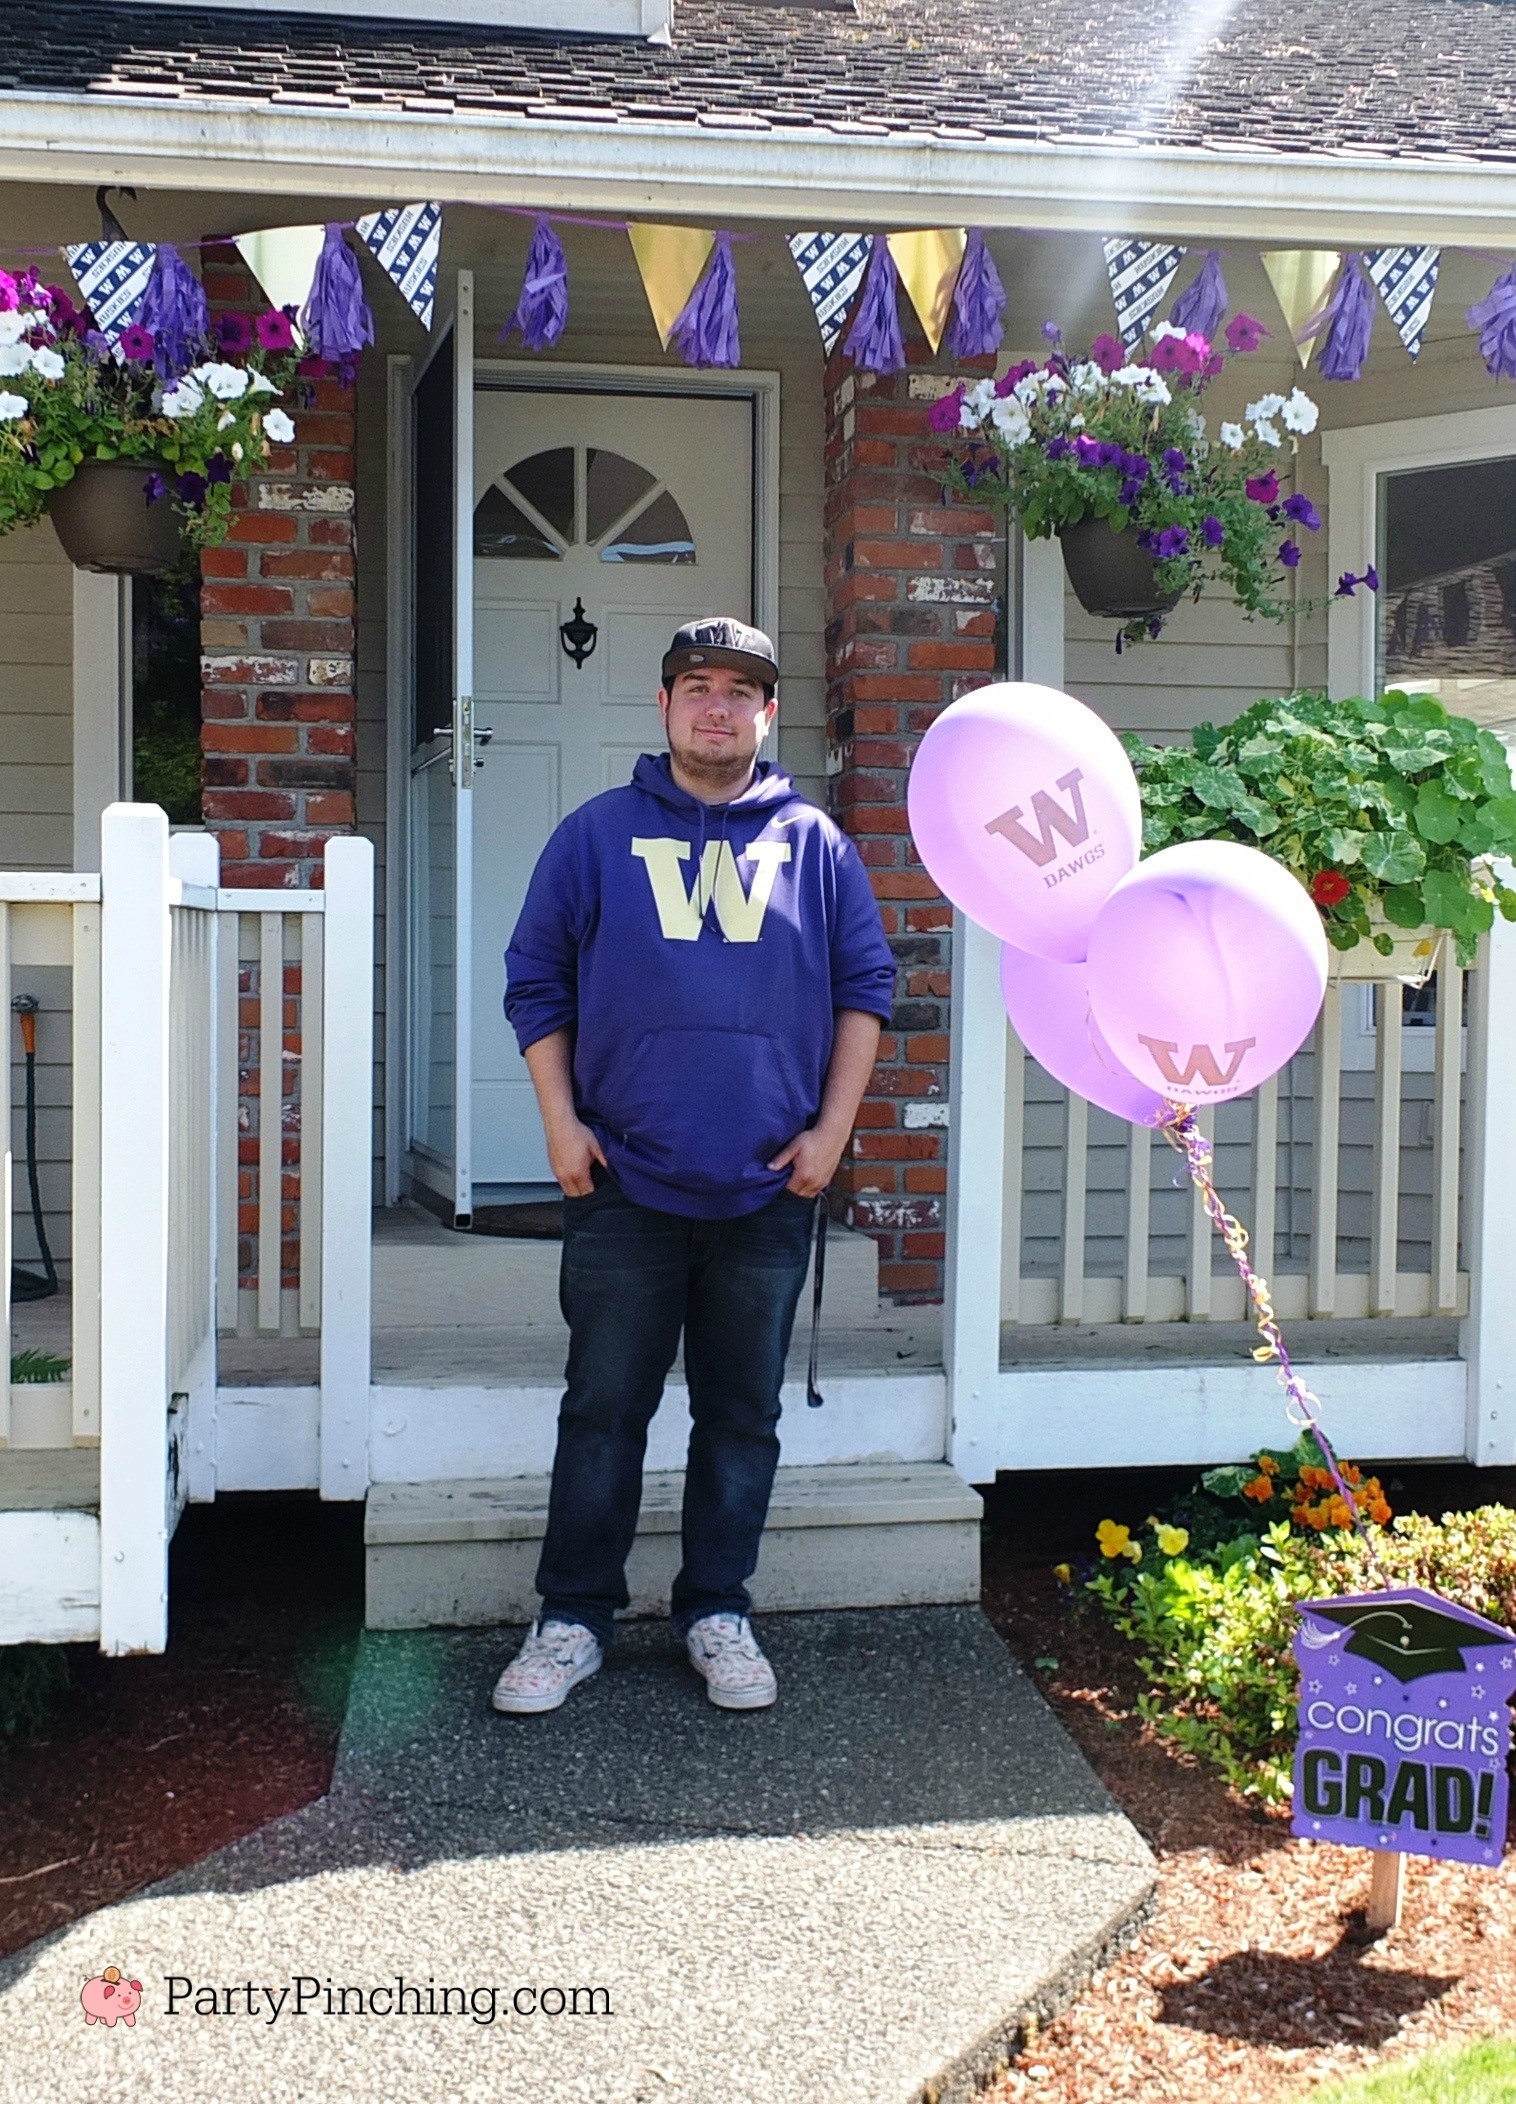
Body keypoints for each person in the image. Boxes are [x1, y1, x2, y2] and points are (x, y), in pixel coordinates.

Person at [492, 616, 896, 1715]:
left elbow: (867, 991)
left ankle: (717, 1608)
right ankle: (571, 1616)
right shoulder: (596, 835)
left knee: (739, 1414)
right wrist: (559, 1123)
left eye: (741, 691)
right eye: (696, 686)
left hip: (768, 1185)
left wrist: (833, 1136)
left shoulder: (813, 843)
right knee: (603, 1407)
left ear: (768, 713)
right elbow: (535, 983)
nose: (716, 707)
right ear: (665, 706)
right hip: (621, 1179)